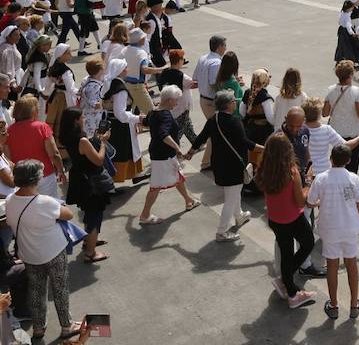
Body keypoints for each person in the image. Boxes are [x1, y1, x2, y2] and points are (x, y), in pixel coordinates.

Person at [5, 160, 82, 341]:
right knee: (60, 288)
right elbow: (68, 214)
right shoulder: (45, 202)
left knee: (37, 289)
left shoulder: (9, 200)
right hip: (53, 251)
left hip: (29, 254)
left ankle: (38, 328)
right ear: (36, 179)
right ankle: (66, 325)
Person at [306, 144, 359, 320]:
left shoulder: (321, 179)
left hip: (329, 228)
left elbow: (310, 201)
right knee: (351, 264)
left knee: (332, 266)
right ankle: (354, 305)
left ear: (330, 159)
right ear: (348, 160)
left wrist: (319, 200)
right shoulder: (353, 178)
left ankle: (333, 305)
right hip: (349, 228)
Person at [255, 133, 316, 309]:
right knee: (308, 244)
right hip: (293, 218)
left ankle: (286, 283)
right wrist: (308, 183)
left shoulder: (264, 168)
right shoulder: (292, 172)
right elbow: (300, 201)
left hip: (275, 219)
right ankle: (292, 293)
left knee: (287, 254)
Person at [189, 91, 257, 241]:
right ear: (228, 104)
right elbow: (245, 142)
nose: (236, 102)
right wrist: (265, 148)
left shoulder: (214, 119)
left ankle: (238, 215)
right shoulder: (234, 121)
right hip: (233, 166)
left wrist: (191, 151)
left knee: (234, 192)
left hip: (219, 164)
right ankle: (221, 232)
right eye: (234, 100)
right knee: (231, 198)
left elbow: (202, 137)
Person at [137, 85, 201, 226]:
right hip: (163, 155)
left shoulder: (154, 111)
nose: (177, 103)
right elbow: (163, 134)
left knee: (178, 176)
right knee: (156, 186)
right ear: (169, 100)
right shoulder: (165, 115)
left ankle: (189, 200)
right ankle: (145, 215)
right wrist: (177, 148)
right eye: (176, 100)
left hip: (160, 153)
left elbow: (146, 122)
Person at [59, 108, 110, 264]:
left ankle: (89, 241)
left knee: (89, 213)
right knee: (95, 215)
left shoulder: (68, 138)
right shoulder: (82, 141)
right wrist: (102, 143)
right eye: (82, 117)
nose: (85, 119)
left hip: (80, 179)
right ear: (76, 120)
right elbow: (99, 160)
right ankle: (90, 252)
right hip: (91, 182)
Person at [7, 96, 64, 198]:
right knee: (50, 208)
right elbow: (54, 154)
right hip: (44, 175)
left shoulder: (8, 131)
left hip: (22, 178)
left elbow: (8, 158)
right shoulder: (42, 127)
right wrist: (61, 170)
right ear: (34, 111)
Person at [322, 61, 359, 174]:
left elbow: (324, 113)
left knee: (338, 164)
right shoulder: (357, 91)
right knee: (352, 167)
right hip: (354, 133)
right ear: (351, 75)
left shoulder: (331, 90)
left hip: (336, 133)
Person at [101, 59, 144, 183]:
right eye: (125, 68)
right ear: (120, 71)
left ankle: (135, 174)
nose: (127, 70)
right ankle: (117, 179)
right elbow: (120, 113)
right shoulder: (120, 89)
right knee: (123, 151)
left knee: (113, 151)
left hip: (110, 123)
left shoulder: (109, 83)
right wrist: (137, 118)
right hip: (121, 126)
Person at [192, 35, 226, 170]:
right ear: (219, 47)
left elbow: (195, 78)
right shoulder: (216, 63)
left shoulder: (203, 58)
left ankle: (211, 160)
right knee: (214, 132)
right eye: (224, 46)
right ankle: (207, 162)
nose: (225, 48)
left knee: (213, 131)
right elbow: (214, 83)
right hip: (211, 102)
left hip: (203, 99)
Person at [334, 0, 359, 67]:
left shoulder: (342, 12)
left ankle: (339, 60)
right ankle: (352, 61)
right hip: (346, 32)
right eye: (352, 7)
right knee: (350, 46)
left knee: (341, 46)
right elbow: (348, 25)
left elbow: (340, 22)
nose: (352, 9)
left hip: (341, 31)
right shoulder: (346, 16)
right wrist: (352, 33)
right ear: (348, 8)